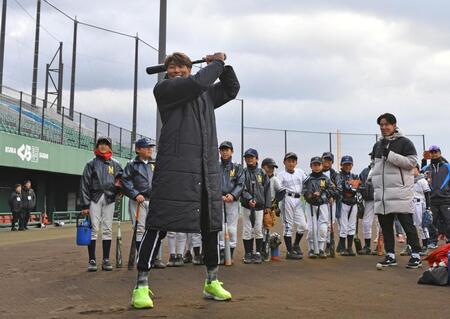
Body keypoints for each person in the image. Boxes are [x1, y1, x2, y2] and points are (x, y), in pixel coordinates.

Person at [131, 52, 240, 309]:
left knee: (211, 226)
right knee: (157, 224)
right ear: (167, 72)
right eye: (172, 67)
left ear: (191, 69)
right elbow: (197, 83)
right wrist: (216, 63)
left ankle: (212, 281)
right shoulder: (165, 89)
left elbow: (232, 88)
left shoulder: (205, 95)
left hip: (205, 170)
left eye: (182, 66)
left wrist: (223, 67)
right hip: (175, 171)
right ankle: (141, 285)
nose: (176, 70)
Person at [370, 113, 421, 269]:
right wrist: (371, 179)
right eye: (381, 125)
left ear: (394, 125)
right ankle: (390, 255)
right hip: (383, 194)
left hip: (400, 192)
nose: (384, 128)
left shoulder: (405, 142)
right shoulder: (377, 145)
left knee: (407, 225)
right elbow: (375, 165)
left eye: (387, 125)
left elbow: (412, 162)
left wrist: (390, 155)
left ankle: (416, 255)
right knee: (386, 226)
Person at [80, 136, 123, 272]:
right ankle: (92, 259)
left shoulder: (115, 164)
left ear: (110, 147)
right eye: (101, 144)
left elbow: (121, 179)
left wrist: (120, 190)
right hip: (94, 198)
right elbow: (84, 184)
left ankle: (105, 259)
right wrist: (85, 205)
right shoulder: (91, 164)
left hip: (109, 198)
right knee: (94, 229)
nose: (103, 146)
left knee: (107, 229)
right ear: (97, 146)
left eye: (106, 144)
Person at [121, 137, 156, 259]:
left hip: (153, 200)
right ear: (138, 149)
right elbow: (125, 180)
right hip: (138, 201)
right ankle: (141, 257)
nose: (150, 150)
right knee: (140, 229)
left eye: (151, 147)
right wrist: (135, 194)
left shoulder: (155, 163)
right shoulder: (132, 164)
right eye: (147, 147)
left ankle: (153, 257)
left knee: (153, 229)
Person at [240, 148, 271, 264]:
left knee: (258, 229)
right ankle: (248, 253)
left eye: (251, 157)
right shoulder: (242, 172)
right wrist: (248, 199)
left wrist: (267, 206)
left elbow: (267, 190)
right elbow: (241, 188)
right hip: (247, 206)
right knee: (247, 229)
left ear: (257, 158)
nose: (249, 159)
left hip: (259, 206)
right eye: (247, 157)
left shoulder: (262, 173)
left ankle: (258, 252)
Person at [302, 157, 335, 258]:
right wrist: (311, 195)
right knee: (311, 228)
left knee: (323, 228)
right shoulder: (308, 178)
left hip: (323, 204)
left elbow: (332, 189)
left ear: (322, 165)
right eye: (314, 165)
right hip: (311, 205)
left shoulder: (326, 178)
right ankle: (311, 249)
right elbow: (304, 191)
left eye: (318, 165)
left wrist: (323, 194)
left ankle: (320, 249)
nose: (316, 167)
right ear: (311, 166)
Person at [277, 152, 308, 259]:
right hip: (287, 199)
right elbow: (278, 190)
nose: (291, 163)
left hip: (299, 200)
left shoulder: (300, 172)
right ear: (284, 162)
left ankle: (296, 245)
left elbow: (308, 183)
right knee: (288, 226)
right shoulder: (280, 175)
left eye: (293, 161)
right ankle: (289, 252)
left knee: (303, 226)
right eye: (289, 161)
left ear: (296, 162)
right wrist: (276, 205)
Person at [219, 141, 244, 264]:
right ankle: (223, 252)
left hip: (232, 201)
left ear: (232, 151)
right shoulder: (215, 166)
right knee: (221, 228)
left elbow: (240, 184)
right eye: (222, 149)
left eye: (227, 149)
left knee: (232, 228)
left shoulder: (237, 167)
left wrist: (233, 195)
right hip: (219, 200)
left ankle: (231, 253)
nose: (224, 152)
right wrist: (219, 195)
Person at [422, 145, 450, 246]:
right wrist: (423, 160)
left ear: (440, 153)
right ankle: (432, 241)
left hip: (446, 199)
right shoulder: (426, 168)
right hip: (431, 200)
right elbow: (421, 180)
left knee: (448, 220)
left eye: (436, 152)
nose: (434, 154)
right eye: (432, 152)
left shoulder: (448, 166)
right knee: (431, 222)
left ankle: (449, 241)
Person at [336, 156, 360, 256]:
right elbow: (341, 188)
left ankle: (349, 248)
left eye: (349, 164)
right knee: (343, 226)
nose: (347, 166)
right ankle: (342, 248)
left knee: (351, 226)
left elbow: (356, 188)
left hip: (353, 203)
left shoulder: (354, 175)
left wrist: (350, 187)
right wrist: (350, 187)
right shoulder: (338, 176)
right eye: (345, 164)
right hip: (343, 203)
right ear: (341, 165)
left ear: (352, 165)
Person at [322, 152, 340, 255]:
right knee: (321, 224)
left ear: (332, 162)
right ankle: (318, 246)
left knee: (330, 224)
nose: (327, 162)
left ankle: (329, 244)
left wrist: (333, 196)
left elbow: (338, 188)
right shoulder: (317, 172)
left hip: (331, 202)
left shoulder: (335, 174)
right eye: (325, 159)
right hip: (319, 202)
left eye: (329, 160)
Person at [412, 164, 432, 255]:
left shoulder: (422, 180)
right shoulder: (410, 180)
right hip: (411, 203)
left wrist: (428, 208)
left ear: (417, 169)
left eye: (413, 168)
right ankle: (412, 246)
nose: (411, 171)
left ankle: (425, 246)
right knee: (412, 225)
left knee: (422, 225)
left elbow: (427, 194)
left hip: (420, 204)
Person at [358, 154, 375, 255]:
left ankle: (382, 246)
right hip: (369, 200)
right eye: (372, 156)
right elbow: (359, 184)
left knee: (382, 224)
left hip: (381, 200)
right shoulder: (365, 171)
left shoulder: (384, 170)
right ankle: (367, 246)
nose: (373, 158)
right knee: (366, 223)